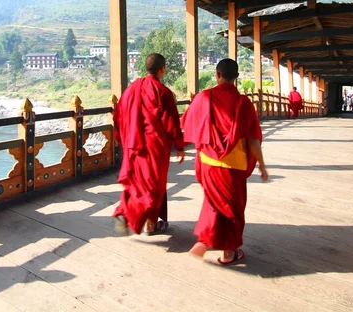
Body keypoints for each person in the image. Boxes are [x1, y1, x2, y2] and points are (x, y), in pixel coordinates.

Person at [181, 58, 268, 265]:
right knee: (233, 209)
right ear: (236, 78)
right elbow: (253, 140)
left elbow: (187, 123)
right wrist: (262, 166)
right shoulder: (244, 104)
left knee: (213, 204)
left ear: (217, 75)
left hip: (208, 163)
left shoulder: (203, 97)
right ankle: (228, 252)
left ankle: (206, 239)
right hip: (233, 165)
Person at [112, 53, 185, 236]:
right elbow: (171, 122)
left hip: (133, 145)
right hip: (154, 147)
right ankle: (148, 224)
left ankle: (127, 211)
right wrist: (180, 145)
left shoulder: (131, 89)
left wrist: (118, 137)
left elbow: (119, 114)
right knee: (155, 186)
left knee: (136, 183)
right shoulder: (163, 92)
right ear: (163, 69)